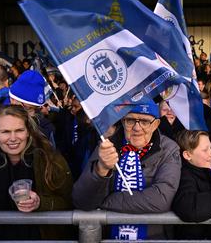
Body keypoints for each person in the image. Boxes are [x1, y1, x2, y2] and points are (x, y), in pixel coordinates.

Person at [72, 99, 181, 240]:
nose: (137, 128)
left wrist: (105, 201)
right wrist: (101, 169)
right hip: (109, 237)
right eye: (130, 120)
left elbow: (160, 199)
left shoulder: (169, 149)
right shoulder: (107, 146)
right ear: (123, 122)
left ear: (156, 124)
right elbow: (82, 200)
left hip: (153, 236)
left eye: (144, 121)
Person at [0, 105, 73, 240]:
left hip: (40, 238)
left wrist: (40, 203)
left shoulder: (49, 159)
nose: (13, 138)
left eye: (19, 130)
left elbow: (69, 201)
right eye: (5, 132)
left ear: (28, 131)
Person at [9, 69, 56, 146]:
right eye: (28, 108)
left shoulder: (46, 130)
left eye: (35, 108)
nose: (33, 114)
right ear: (12, 100)